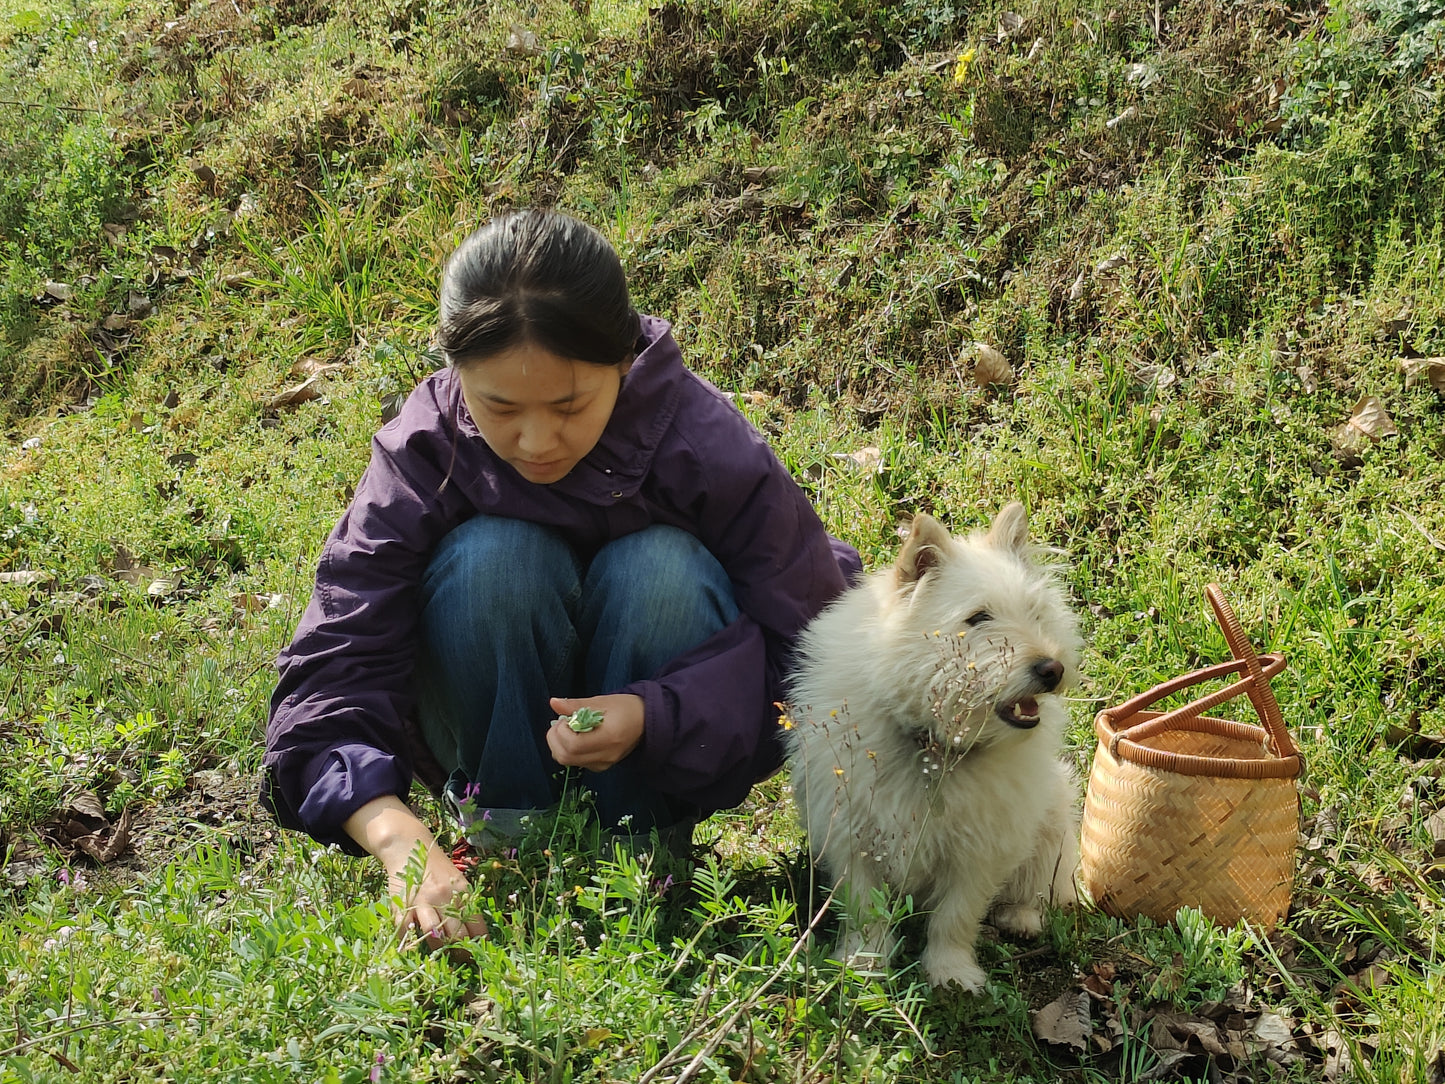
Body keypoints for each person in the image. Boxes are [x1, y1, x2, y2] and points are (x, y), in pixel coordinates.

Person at [261, 208, 861, 948]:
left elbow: (819, 656)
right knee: (492, 560)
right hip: (485, 731)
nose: (536, 441)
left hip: (663, 745)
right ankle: (504, 847)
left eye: (570, 404)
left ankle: (640, 850)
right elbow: (335, 660)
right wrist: (394, 836)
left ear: (622, 362)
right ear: (455, 372)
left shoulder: (709, 447)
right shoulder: (426, 447)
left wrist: (659, 713)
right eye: (499, 406)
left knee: (660, 569)